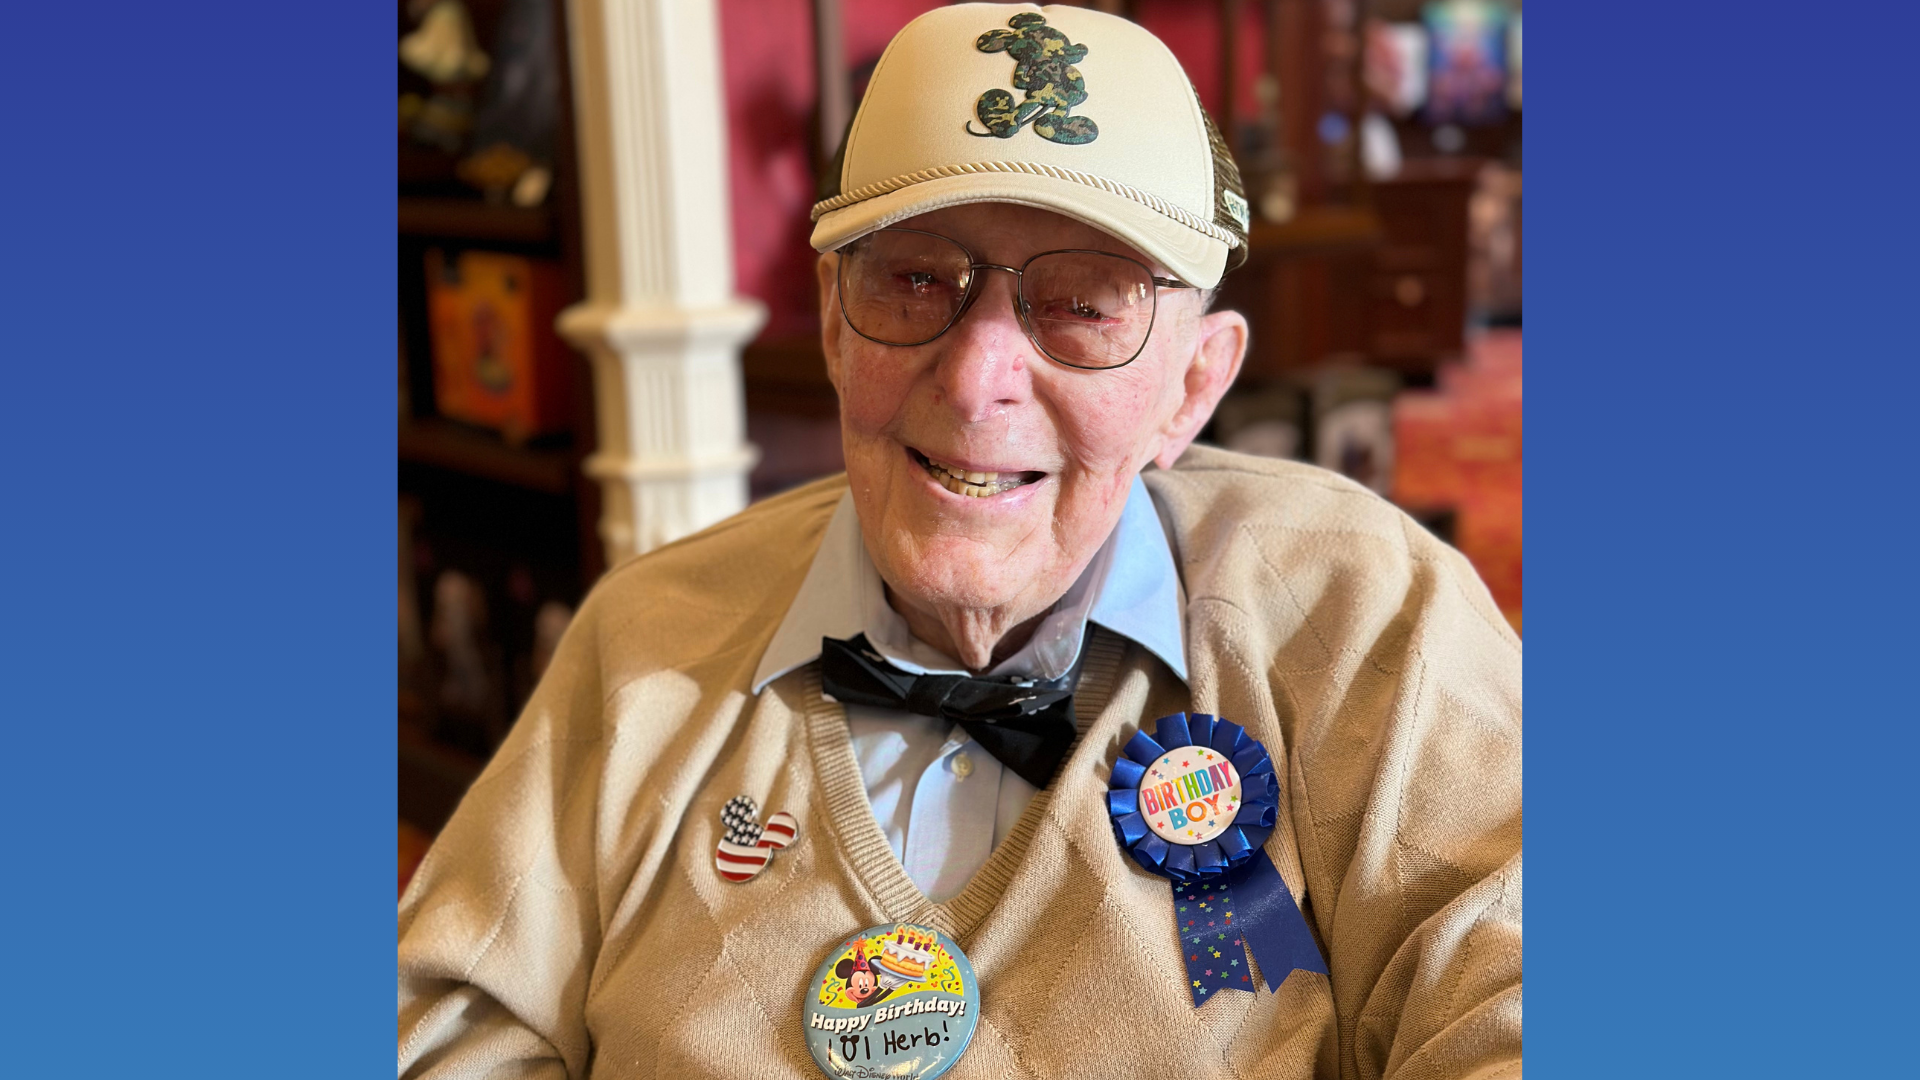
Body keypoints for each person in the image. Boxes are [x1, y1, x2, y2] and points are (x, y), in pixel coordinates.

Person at [399, 5, 1520, 1078]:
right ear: (835, 323)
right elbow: (450, 1028)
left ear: (1192, 384)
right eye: (916, 279)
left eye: (1084, 305)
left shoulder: (1372, 616)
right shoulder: (647, 638)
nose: (979, 379)